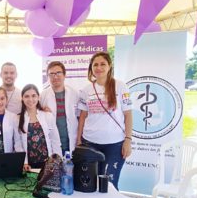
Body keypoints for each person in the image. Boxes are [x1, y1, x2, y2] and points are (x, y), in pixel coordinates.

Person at [77, 52, 133, 190]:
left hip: (114, 145)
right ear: (91, 68)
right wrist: (78, 139)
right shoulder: (86, 90)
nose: (99, 67)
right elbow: (83, 116)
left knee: (110, 185)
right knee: (90, 183)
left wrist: (128, 140)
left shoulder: (121, 86)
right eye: (95, 64)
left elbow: (128, 115)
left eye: (103, 64)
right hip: (89, 142)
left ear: (109, 66)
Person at [16, 84, 62, 171]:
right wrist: (24, 162)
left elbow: (55, 140)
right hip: (28, 165)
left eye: (34, 96)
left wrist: (56, 161)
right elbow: (18, 144)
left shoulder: (47, 115)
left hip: (48, 162)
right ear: (22, 98)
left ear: (38, 97)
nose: (30, 99)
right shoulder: (17, 119)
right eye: (26, 96)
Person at [40, 61, 80, 155]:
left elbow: (79, 117)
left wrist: (79, 139)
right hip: (52, 142)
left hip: (70, 141)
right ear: (48, 77)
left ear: (64, 75)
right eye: (51, 74)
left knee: (70, 168)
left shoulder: (74, 94)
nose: (55, 76)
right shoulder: (43, 96)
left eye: (58, 73)